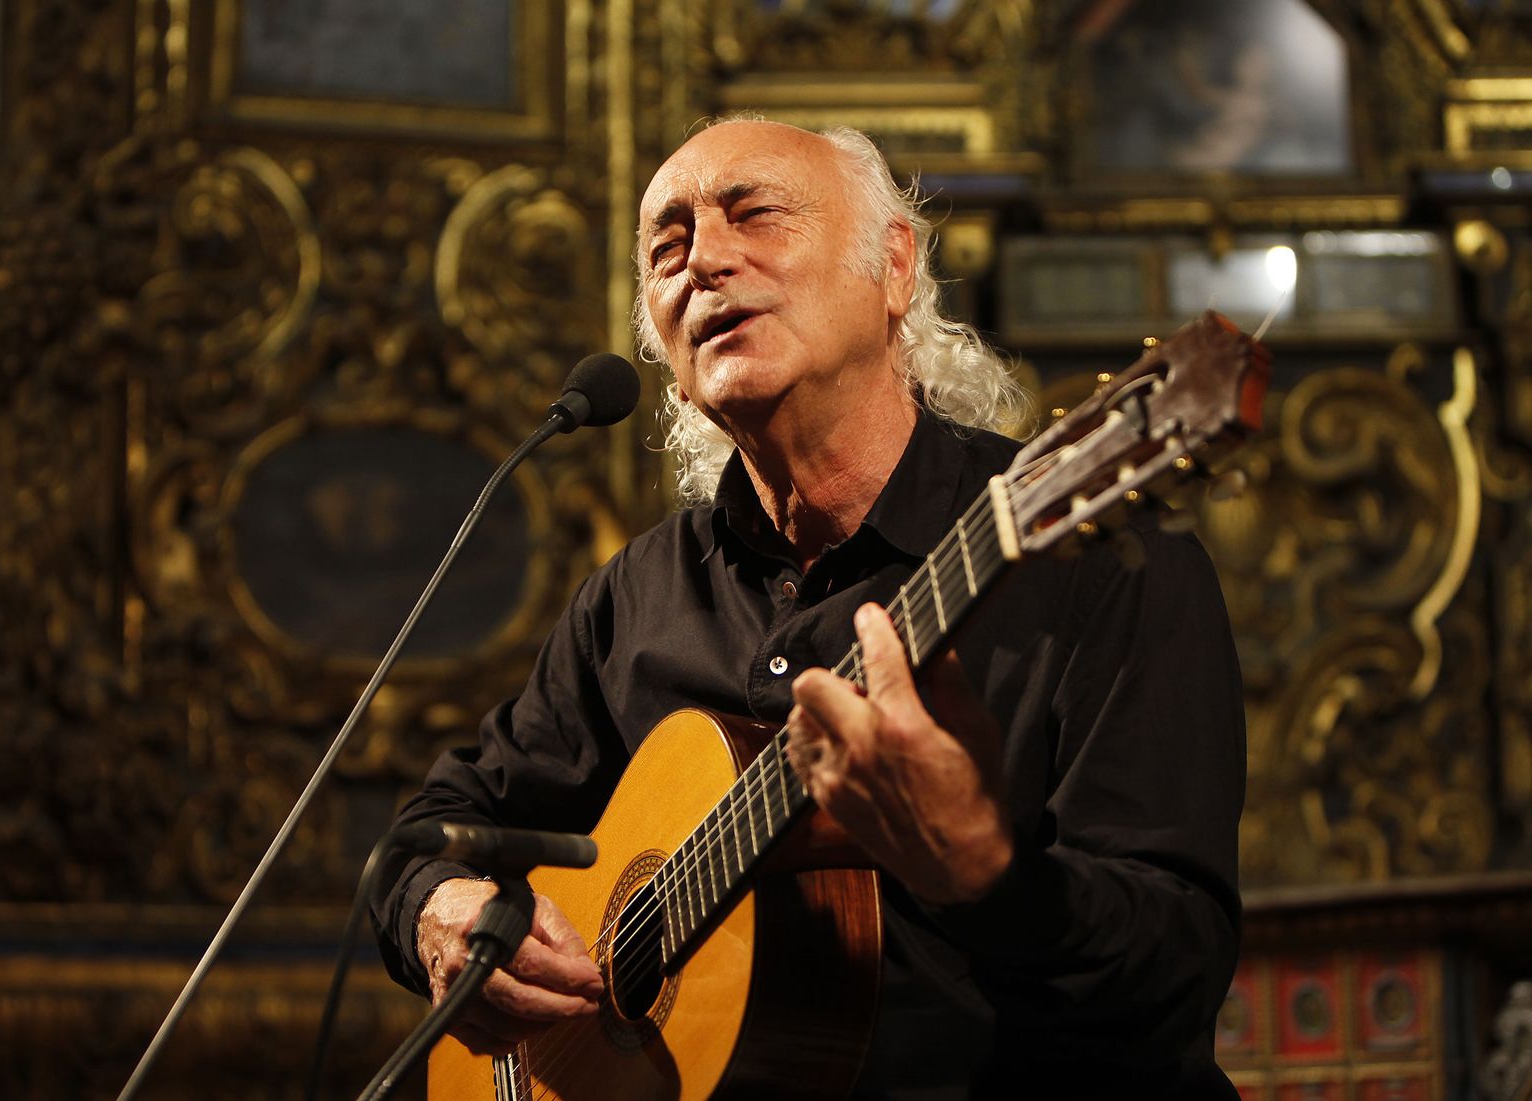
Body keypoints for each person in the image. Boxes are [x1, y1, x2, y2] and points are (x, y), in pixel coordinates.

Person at [373, 119, 1245, 1098]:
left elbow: (1177, 972)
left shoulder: (1105, 569)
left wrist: (989, 878)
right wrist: (442, 913)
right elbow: (432, 833)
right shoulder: (636, 598)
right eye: (669, 245)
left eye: (756, 216)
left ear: (894, 266)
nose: (703, 261)